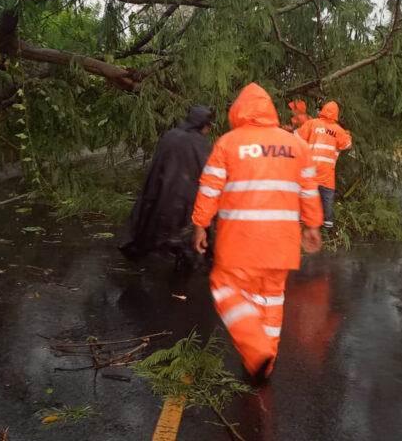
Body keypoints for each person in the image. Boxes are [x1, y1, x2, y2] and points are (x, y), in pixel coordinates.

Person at [192, 83, 323, 384]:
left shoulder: (228, 143)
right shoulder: (295, 145)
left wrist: (200, 225)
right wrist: (313, 226)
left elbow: (210, 189)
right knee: (271, 299)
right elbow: (308, 189)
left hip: (239, 243)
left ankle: (255, 351)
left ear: (238, 111)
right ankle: (266, 361)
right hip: (282, 245)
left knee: (225, 288)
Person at [119, 106, 214, 269]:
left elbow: (158, 166)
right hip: (186, 198)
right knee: (186, 236)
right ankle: (183, 264)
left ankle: (169, 254)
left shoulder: (170, 136)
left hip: (163, 193)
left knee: (161, 229)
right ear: (203, 124)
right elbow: (208, 172)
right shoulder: (199, 143)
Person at [295, 101, 352, 230]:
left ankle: (301, 219)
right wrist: (347, 134)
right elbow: (348, 145)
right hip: (326, 175)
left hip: (309, 171)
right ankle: (327, 225)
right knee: (326, 201)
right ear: (336, 115)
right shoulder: (339, 131)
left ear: (323, 110)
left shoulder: (312, 123)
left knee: (304, 196)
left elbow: (296, 136)